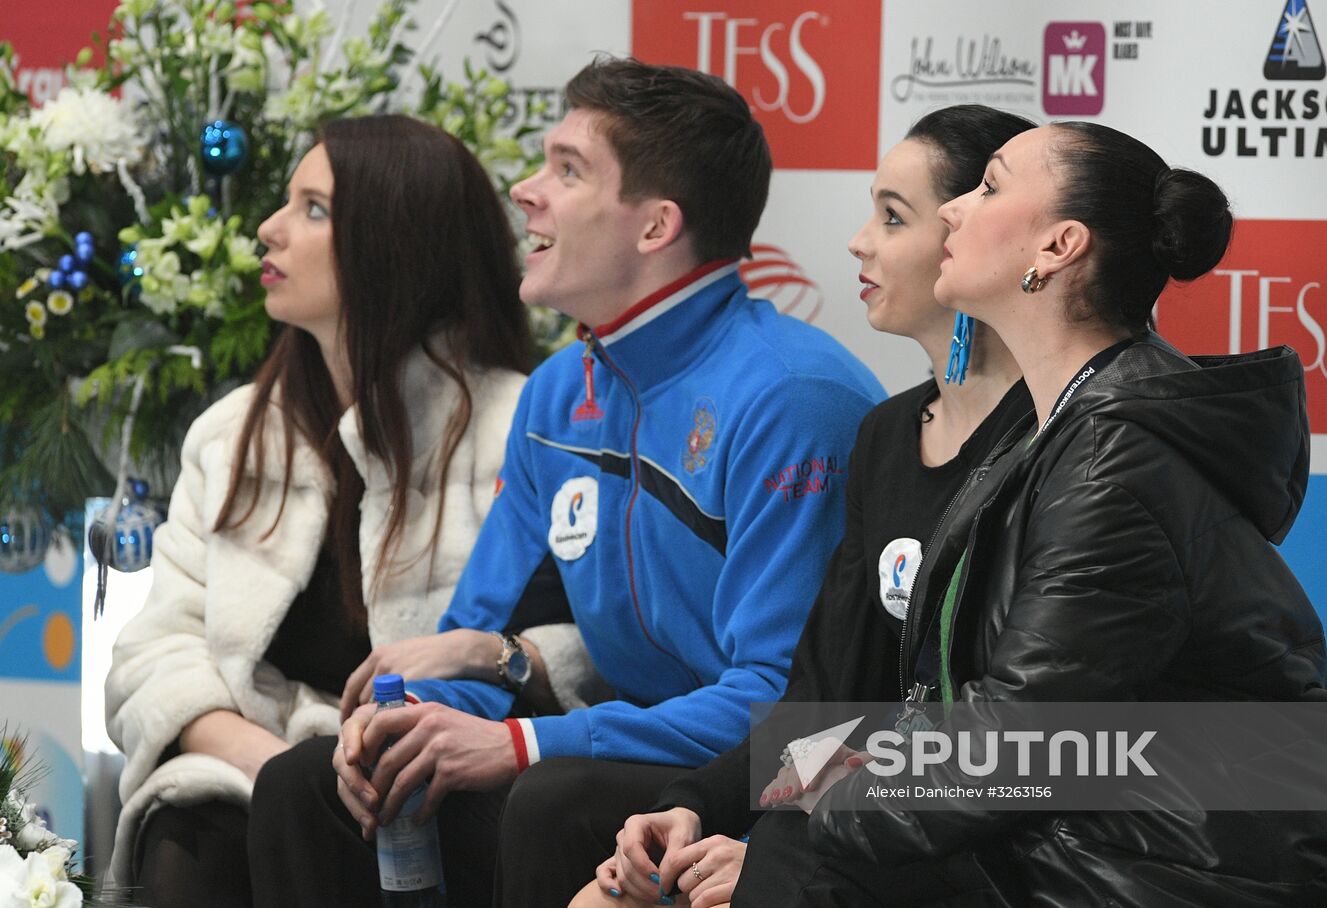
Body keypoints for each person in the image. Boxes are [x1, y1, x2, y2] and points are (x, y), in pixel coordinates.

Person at [247, 57, 885, 908]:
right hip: (617, 751)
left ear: (655, 226)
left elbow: (782, 706)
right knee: (310, 781)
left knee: (553, 798)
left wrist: (526, 743)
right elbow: (483, 630)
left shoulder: (790, 397)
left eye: (567, 169)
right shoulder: (557, 390)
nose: (525, 189)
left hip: (782, 778)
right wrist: (407, 715)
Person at [796, 122, 1327, 904]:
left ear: (1058, 247)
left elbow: (1021, 746)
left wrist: (820, 803)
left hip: (1190, 873)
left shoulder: (1114, 459)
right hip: (1113, 845)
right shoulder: (1073, 425)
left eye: (990, 187)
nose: (954, 212)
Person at [573, 105, 1037, 908]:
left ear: (975, 232)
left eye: (894, 217)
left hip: (1008, 846)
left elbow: (1022, 753)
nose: (859, 241)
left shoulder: (1061, 449)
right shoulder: (890, 436)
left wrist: (785, 861)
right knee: (611, 892)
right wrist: (694, 804)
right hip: (883, 825)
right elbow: (828, 707)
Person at [103, 115, 534, 907]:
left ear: (397, 245)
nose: (268, 229)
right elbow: (156, 652)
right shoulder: (233, 435)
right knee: (191, 844)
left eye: (312, 209)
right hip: (255, 769)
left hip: (445, 787)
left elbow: (560, 657)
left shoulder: (518, 429)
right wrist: (270, 765)